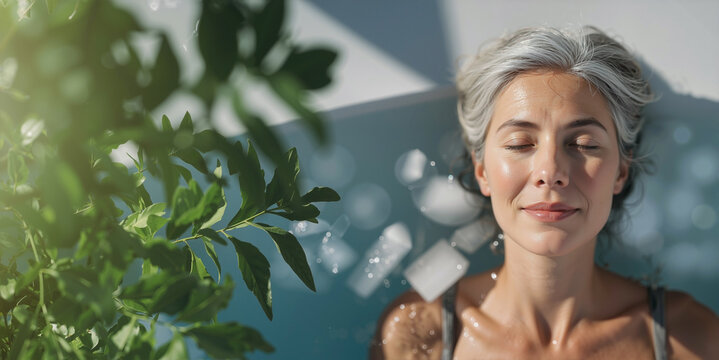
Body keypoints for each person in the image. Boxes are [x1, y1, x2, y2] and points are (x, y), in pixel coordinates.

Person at [370, 26, 719, 359]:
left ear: (621, 172)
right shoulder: (418, 336)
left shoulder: (689, 338)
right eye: (520, 144)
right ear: (482, 170)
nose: (550, 173)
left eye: (583, 144)